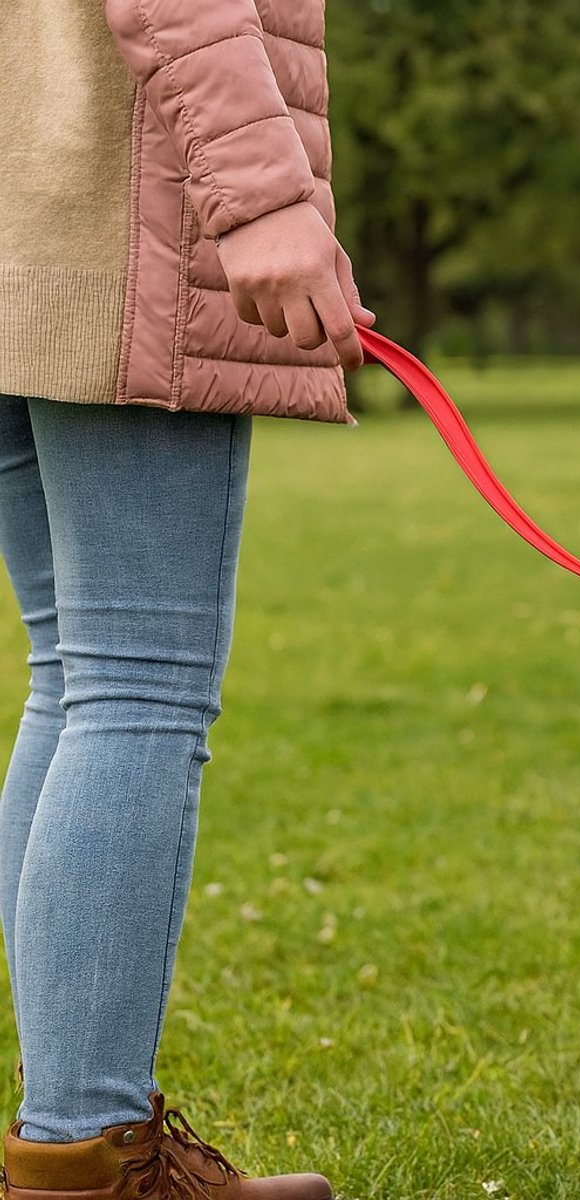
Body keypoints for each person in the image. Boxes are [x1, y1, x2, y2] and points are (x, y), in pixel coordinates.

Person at [0, 2, 374, 1196]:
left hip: (30, 219)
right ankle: (83, 1152)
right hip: (121, 232)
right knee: (131, 688)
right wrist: (265, 198)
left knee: (73, 679)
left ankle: (59, 1135)